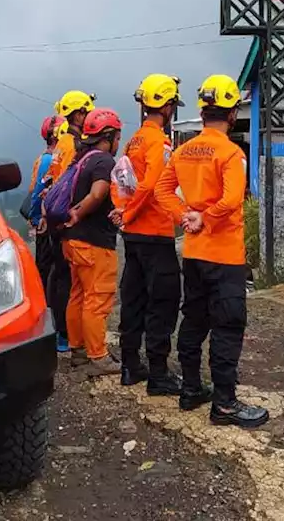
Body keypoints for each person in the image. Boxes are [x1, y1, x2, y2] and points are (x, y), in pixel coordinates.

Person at [155, 75, 269, 428]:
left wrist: (186, 219)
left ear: (203, 111)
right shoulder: (231, 152)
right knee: (228, 327)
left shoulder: (183, 150)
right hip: (224, 255)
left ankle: (191, 389)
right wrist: (204, 218)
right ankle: (224, 404)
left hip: (194, 253)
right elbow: (233, 199)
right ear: (233, 113)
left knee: (194, 320)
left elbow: (162, 191)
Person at [113, 74, 184, 394]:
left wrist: (123, 212)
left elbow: (121, 181)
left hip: (133, 235)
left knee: (133, 299)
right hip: (155, 232)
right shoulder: (160, 143)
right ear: (168, 107)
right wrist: (130, 212)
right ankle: (158, 374)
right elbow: (152, 186)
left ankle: (130, 366)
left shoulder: (133, 140)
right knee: (163, 302)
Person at [62, 107, 124, 376]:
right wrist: (80, 211)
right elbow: (99, 193)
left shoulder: (82, 159)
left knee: (78, 295)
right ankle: (98, 356)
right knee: (97, 299)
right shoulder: (103, 162)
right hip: (94, 242)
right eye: (117, 137)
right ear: (108, 136)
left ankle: (78, 350)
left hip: (73, 242)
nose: (118, 142)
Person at [41, 90, 96, 354]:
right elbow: (69, 184)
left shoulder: (62, 144)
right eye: (86, 112)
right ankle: (64, 332)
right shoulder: (73, 145)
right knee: (65, 277)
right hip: (65, 216)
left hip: (54, 214)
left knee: (58, 273)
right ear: (77, 114)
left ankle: (59, 329)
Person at [28, 114, 68, 351]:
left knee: (48, 276)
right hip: (46, 224)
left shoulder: (45, 158)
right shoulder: (49, 160)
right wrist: (37, 218)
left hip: (42, 221)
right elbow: (38, 192)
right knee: (50, 277)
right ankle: (51, 332)